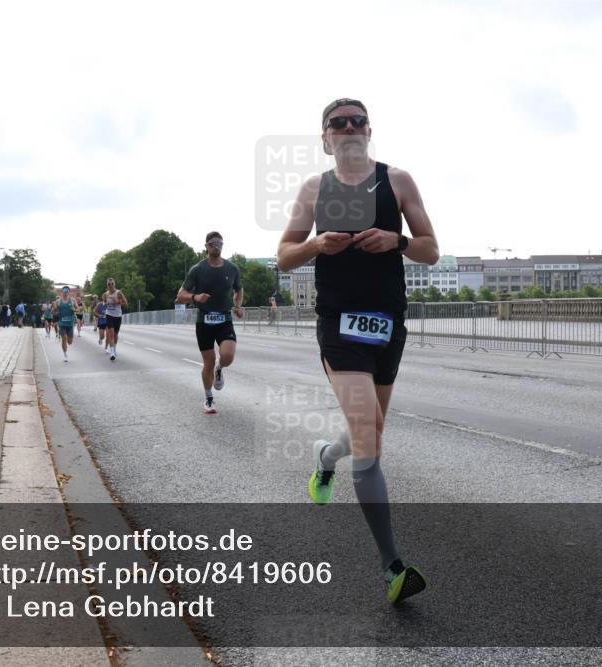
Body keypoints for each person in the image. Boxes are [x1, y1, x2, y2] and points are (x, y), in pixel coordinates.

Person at [277, 98, 440, 605]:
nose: (348, 128)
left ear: (370, 131)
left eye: (357, 121)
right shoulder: (313, 189)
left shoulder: (398, 182)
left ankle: (326, 455)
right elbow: (284, 258)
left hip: (388, 325)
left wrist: (396, 241)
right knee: (368, 435)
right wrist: (316, 245)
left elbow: (431, 248)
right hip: (339, 326)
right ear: (325, 138)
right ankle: (393, 567)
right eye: (337, 123)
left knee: (370, 430)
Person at [175, 231, 244, 414]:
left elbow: (239, 289)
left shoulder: (232, 268)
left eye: (220, 243)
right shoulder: (197, 269)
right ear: (206, 245)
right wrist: (195, 296)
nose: (217, 246)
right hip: (204, 321)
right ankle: (209, 398)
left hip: (224, 319)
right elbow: (180, 296)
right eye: (214, 243)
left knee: (227, 356)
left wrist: (238, 305)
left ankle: (220, 369)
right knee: (208, 361)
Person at [101, 278, 128, 361]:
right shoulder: (105, 294)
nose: (111, 285)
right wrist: (106, 303)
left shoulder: (118, 293)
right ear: (107, 285)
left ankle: (114, 348)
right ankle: (112, 352)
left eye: (112, 284)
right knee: (111, 334)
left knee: (116, 334)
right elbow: (103, 302)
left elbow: (125, 302)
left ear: (114, 284)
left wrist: (118, 302)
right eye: (109, 284)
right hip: (109, 315)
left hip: (118, 316)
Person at [52, 286, 77, 361]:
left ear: (68, 292)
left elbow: (78, 308)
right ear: (62, 292)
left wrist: (74, 309)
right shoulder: (58, 301)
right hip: (62, 323)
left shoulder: (72, 300)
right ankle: (65, 354)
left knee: (70, 342)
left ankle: (66, 346)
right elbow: (53, 311)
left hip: (70, 323)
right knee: (64, 338)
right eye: (64, 292)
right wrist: (55, 311)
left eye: (67, 292)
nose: (65, 293)